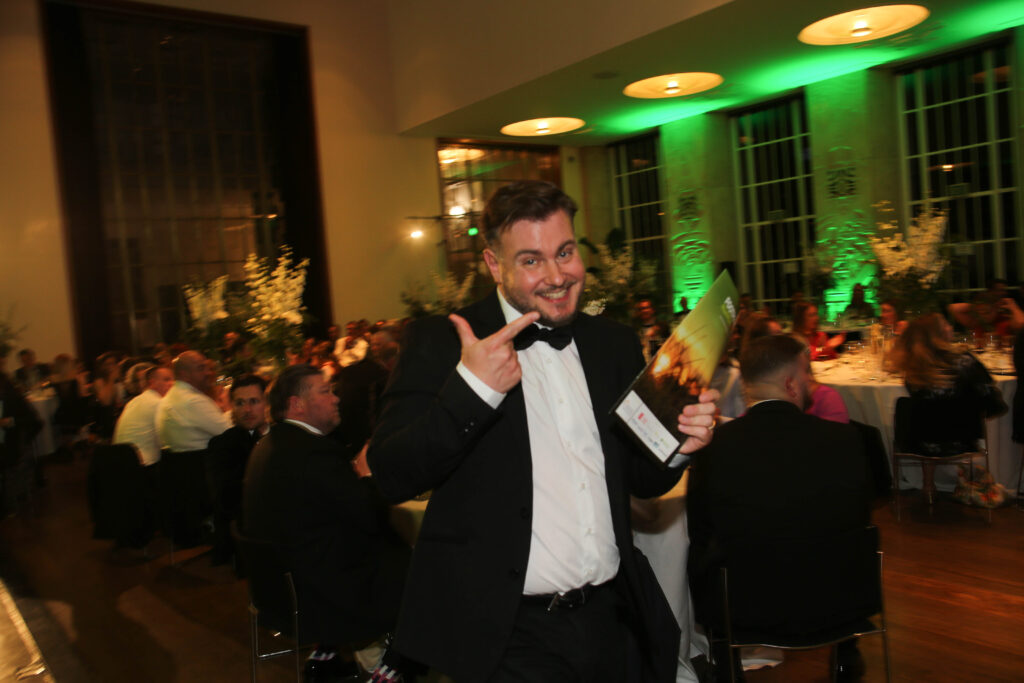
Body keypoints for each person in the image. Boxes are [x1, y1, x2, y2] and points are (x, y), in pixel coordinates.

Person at [367, 180, 716, 683]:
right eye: (531, 260)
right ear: (494, 265)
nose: (557, 276)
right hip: (508, 633)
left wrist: (678, 445)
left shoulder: (613, 343)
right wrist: (473, 390)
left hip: (613, 619)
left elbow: (640, 477)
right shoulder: (441, 342)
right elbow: (391, 473)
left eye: (565, 252)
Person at [687, 334, 871, 681]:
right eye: (807, 373)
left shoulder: (716, 446)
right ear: (791, 384)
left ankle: (725, 663)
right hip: (838, 604)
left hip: (745, 608)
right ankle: (847, 653)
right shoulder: (844, 440)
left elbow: (701, 531)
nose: (811, 382)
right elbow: (859, 521)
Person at [243, 365, 410, 681]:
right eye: (326, 391)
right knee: (418, 558)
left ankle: (327, 652)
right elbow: (370, 515)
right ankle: (393, 663)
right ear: (297, 404)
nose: (336, 399)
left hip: (277, 590)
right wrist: (367, 475)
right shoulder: (314, 452)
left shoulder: (267, 446)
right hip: (321, 590)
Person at [889, 314, 1008, 504]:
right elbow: (992, 403)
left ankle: (928, 485)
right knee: (942, 415)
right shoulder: (965, 361)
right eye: (945, 324)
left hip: (916, 443)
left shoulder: (913, 369)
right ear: (938, 333)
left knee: (928, 419)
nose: (951, 327)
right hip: (962, 440)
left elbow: (927, 410)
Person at [156, 350, 231, 545]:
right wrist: (230, 408)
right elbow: (229, 433)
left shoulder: (173, 396)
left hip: (181, 477)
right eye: (201, 368)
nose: (208, 372)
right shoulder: (192, 400)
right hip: (202, 478)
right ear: (184, 374)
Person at [207, 374, 268, 566]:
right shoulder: (223, 445)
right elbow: (226, 498)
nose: (247, 410)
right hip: (252, 529)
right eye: (240, 403)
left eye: (253, 401)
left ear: (267, 403)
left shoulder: (285, 438)